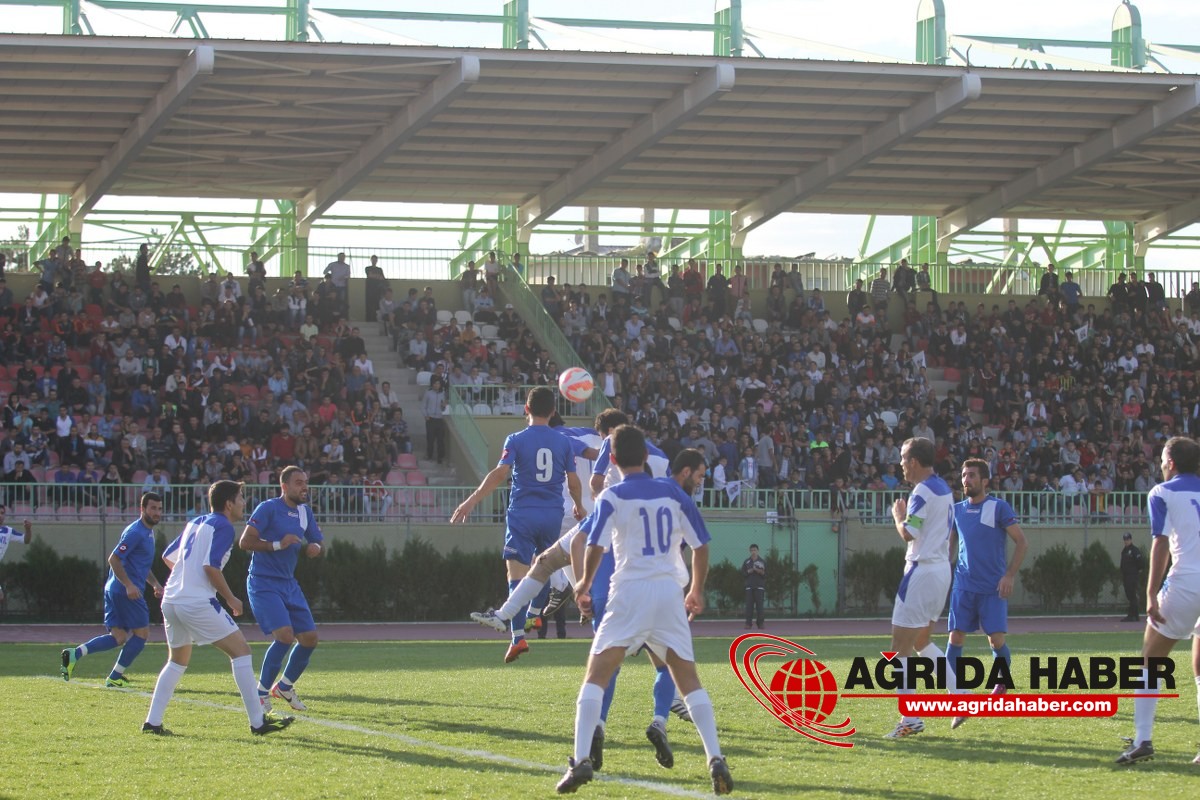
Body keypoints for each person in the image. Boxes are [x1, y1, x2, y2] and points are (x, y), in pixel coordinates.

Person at [557, 427, 731, 795]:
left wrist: (584, 583)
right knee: (688, 679)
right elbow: (700, 545)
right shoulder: (673, 492)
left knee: (596, 675)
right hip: (670, 592)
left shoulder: (612, 495)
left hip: (630, 590)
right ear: (645, 457)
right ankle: (715, 757)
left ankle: (580, 760)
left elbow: (595, 545)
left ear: (614, 459)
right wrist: (696, 589)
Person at [142, 480, 293, 736]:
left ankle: (152, 722)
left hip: (171, 600)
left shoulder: (196, 522)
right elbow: (210, 567)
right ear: (228, 503)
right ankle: (258, 723)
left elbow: (168, 556)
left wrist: (188, 579)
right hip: (196, 602)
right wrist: (232, 598)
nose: (244, 503)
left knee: (177, 661)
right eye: (241, 497)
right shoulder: (223, 525)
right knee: (242, 652)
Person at [451, 386, 583, 663]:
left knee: (516, 575)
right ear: (553, 412)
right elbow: (572, 480)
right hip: (552, 514)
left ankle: (517, 638)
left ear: (526, 409)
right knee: (544, 566)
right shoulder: (563, 443)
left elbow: (500, 473)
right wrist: (579, 505)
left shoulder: (516, 439)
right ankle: (534, 615)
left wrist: (471, 501)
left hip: (522, 513)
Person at [1117, 437, 1200, 765]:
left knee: (1150, 661)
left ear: (1172, 463)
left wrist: (1150, 594)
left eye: (1163, 459)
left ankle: (1143, 739)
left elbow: (1161, 544)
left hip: (1184, 584)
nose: (1161, 465)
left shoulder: (1161, 493)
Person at [945, 459, 1027, 730]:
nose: (966, 480)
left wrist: (1009, 575)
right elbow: (951, 545)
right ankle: (959, 700)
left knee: (995, 641)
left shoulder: (998, 507)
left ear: (985, 481)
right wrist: (944, 568)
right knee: (955, 638)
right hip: (963, 585)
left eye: (971, 475)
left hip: (992, 588)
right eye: (964, 474)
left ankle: (1001, 683)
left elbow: (1021, 542)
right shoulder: (956, 510)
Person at [884, 437, 955, 740]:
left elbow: (908, 533)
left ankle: (910, 718)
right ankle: (961, 694)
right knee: (923, 640)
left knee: (899, 648)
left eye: (902, 458)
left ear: (913, 461)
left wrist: (897, 517)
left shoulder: (921, 491)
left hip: (922, 571)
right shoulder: (944, 488)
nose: (900, 463)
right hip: (940, 571)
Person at [239, 466, 325, 712]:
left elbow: (317, 540)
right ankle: (261, 693)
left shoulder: (305, 512)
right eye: (298, 483)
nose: (304, 487)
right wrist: (278, 544)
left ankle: (284, 687)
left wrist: (315, 548)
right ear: (284, 487)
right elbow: (245, 542)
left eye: (306, 482)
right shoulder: (268, 508)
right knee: (285, 637)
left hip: (288, 583)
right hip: (263, 582)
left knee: (309, 639)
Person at [61, 493, 165, 687]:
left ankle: (74, 654)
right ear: (142, 509)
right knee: (142, 634)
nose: (157, 512)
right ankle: (114, 678)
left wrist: (155, 584)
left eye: (159, 509)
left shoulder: (147, 532)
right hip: (124, 591)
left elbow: (141, 564)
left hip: (115, 589)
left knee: (118, 637)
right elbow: (114, 559)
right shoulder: (136, 532)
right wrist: (128, 585)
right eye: (153, 508)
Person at [0, 505, 31, 605]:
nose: (0, 515)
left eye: (2, 513)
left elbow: (26, 540)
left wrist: (28, 529)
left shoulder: (8, 531)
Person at [1120, 531, 1144, 623]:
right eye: (1125, 539)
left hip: (1132, 576)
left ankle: (1132, 615)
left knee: (1132, 595)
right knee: (1129, 595)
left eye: (1128, 539)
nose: (1126, 541)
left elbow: (1140, 562)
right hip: (1126, 576)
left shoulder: (1134, 550)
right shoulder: (1124, 551)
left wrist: (1136, 571)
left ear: (1131, 539)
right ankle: (1135, 615)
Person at [742, 544, 767, 630]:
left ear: (758, 551)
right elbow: (743, 574)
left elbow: (765, 575)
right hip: (749, 587)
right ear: (750, 551)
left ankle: (760, 623)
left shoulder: (762, 561)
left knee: (760, 606)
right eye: (752, 550)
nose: (753, 552)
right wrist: (749, 571)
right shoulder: (747, 562)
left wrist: (759, 571)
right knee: (749, 606)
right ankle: (748, 623)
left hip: (759, 587)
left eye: (755, 550)